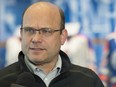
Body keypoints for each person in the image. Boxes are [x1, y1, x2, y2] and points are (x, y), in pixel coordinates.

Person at [0, 1, 104, 87]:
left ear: (62, 36)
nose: (36, 39)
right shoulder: (3, 80)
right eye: (29, 30)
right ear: (21, 34)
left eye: (46, 31)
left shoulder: (88, 81)